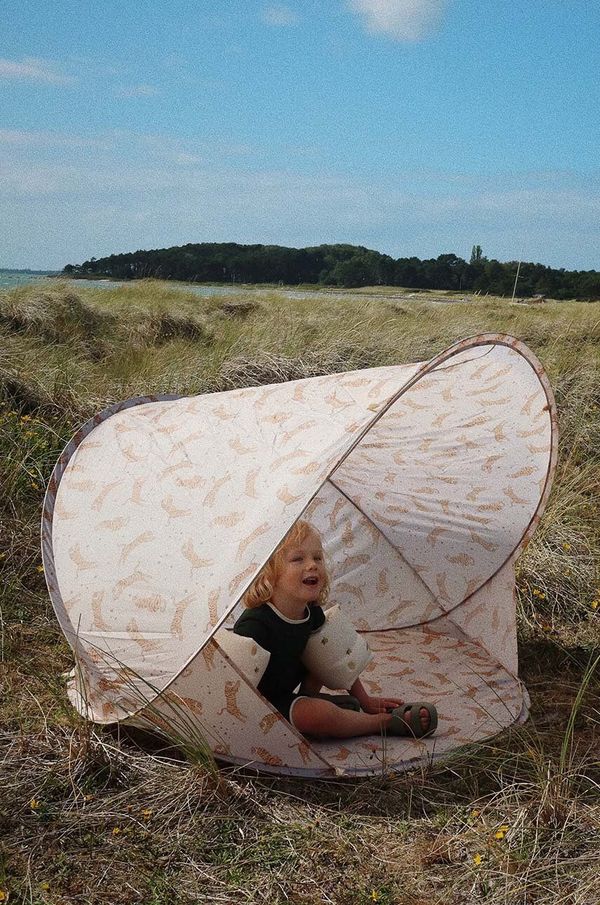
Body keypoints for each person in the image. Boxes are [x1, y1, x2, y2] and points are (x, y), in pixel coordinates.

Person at [234, 519, 436, 739]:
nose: (312, 565)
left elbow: (336, 658)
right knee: (317, 717)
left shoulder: (311, 612)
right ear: (269, 574)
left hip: (295, 693)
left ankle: (321, 705)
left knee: (325, 645)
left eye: (317, 557)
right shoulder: (255, 624)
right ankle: (382, 723)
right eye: (298, 559)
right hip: (264, 705)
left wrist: (365, 700)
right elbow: (237, 687)